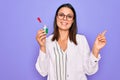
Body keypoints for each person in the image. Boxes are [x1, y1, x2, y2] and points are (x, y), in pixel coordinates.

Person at [35, 3, 107, 80]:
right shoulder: (47, 41)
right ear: (56, 17)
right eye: (61, 15)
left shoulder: (81, 40)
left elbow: (90, 70)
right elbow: (43, 72)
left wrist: (96, 49)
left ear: (73, 20)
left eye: (69, 16)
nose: (65, 18)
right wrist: (42, 47)